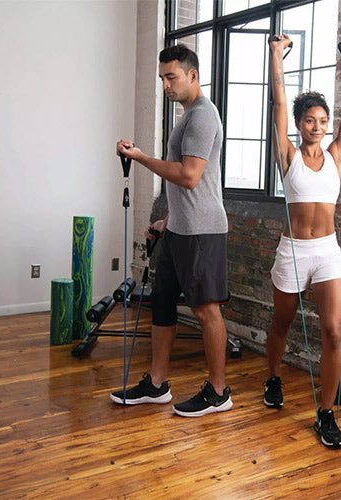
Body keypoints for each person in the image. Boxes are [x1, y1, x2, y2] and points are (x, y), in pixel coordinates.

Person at [110, 44, 232, 418]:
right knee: (161, 303)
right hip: (180, 228)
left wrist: (141, 157)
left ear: (192, 75)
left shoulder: (202, 116)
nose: (165, 84)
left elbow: (190, 177)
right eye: (162, 77)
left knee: (205, 310)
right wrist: (167, 220)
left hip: (201, 232)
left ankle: (218, 391)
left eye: (171, 77)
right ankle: (157, 384)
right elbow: (186, 183)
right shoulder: (186, 115)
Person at [265, 34, 341, 449]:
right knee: (283, 322)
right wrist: (276, 57)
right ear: (299, 124)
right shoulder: (286, 154)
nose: (318, 127)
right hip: (293, 251)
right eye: (310, 121)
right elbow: (279, 103)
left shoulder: (337, 155)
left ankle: (326, 412)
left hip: (327, 252)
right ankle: (272, 377)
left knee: (333, 332)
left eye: (323, 121)